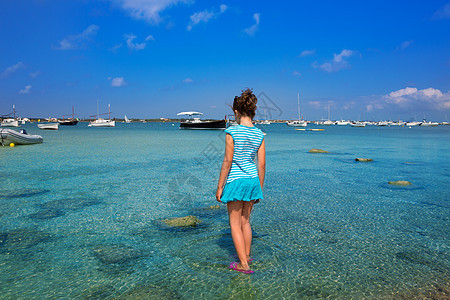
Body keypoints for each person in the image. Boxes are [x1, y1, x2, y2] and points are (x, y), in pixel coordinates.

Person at [216, 88, 266, 274]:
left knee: (235, 223)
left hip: (236, 181)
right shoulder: (260, 135)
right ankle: (247, 256)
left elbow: (227, 162)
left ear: (236, 112)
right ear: (252, 112)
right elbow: (262, 165)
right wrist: (259, 189)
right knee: (246, 221)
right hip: (253, 181)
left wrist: (220, 187)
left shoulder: (232, 132)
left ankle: (243, 265)